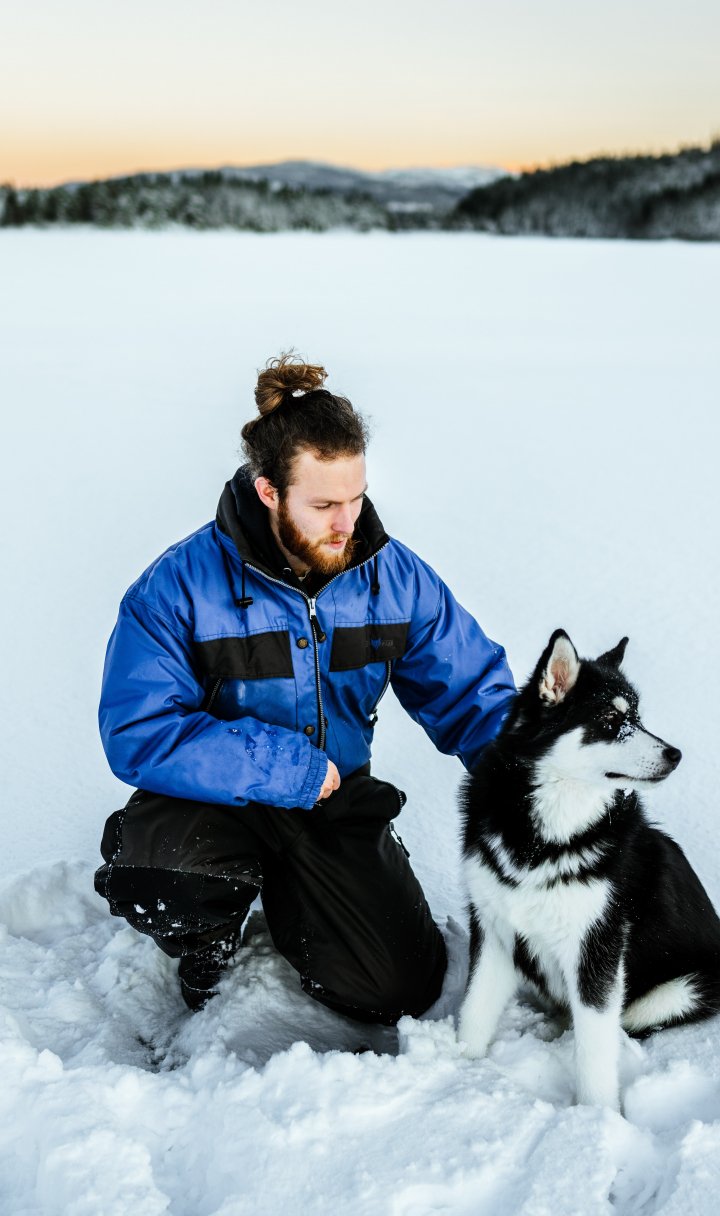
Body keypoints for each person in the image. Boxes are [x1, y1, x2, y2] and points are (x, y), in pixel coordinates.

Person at [95, 355, 516, 1019]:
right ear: (269, 492)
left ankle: (322, 897)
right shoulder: (177, 586)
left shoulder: (395, 578)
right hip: (215, 799)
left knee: (395, 989)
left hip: (333, 801)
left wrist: (533, 777)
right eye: (323, 505)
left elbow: (472, 695)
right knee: (165, 877)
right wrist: (285, 767)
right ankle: (206, 939)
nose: (347, 523)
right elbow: (139, 730)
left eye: (356, 498)